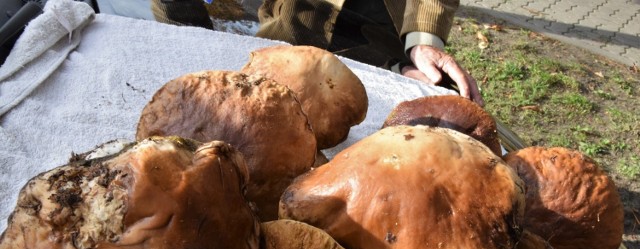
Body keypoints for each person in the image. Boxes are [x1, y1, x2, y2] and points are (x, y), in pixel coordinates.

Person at [150, 0, 483, 105]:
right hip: (289, 25)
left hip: (384, 30)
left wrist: (422, 41)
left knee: (432, 96)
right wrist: (191, 47)